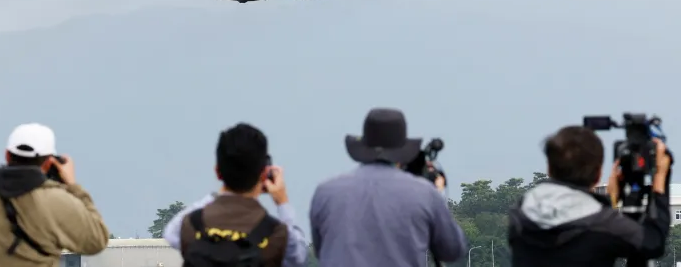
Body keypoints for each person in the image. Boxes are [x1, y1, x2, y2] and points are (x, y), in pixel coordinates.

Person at [309, 108, 467, 267]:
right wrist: (437, 195)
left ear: (363, 146)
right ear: (403, 151)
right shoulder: (424, 193)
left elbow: (320, 249)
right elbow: (452, 250)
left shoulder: (325, 192)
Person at [508, 125, 672, 266]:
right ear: (598, 174)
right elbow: (652, 243)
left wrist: (609, 201)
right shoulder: (603, 223)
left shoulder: (521, 212)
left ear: (549, 168)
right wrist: (660, 180)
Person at [0, 123, 109, 266]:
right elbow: (97, 240)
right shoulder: (57, 201)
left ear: (7, 155)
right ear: (48, 163)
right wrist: (73, 186)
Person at [163, 123, 308, 267]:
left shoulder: (193, 224)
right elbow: (299, 255)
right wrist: (282, 202)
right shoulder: (276, 233)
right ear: (264, 174)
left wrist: (217, 196)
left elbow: (170, 233)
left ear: (217, 172)